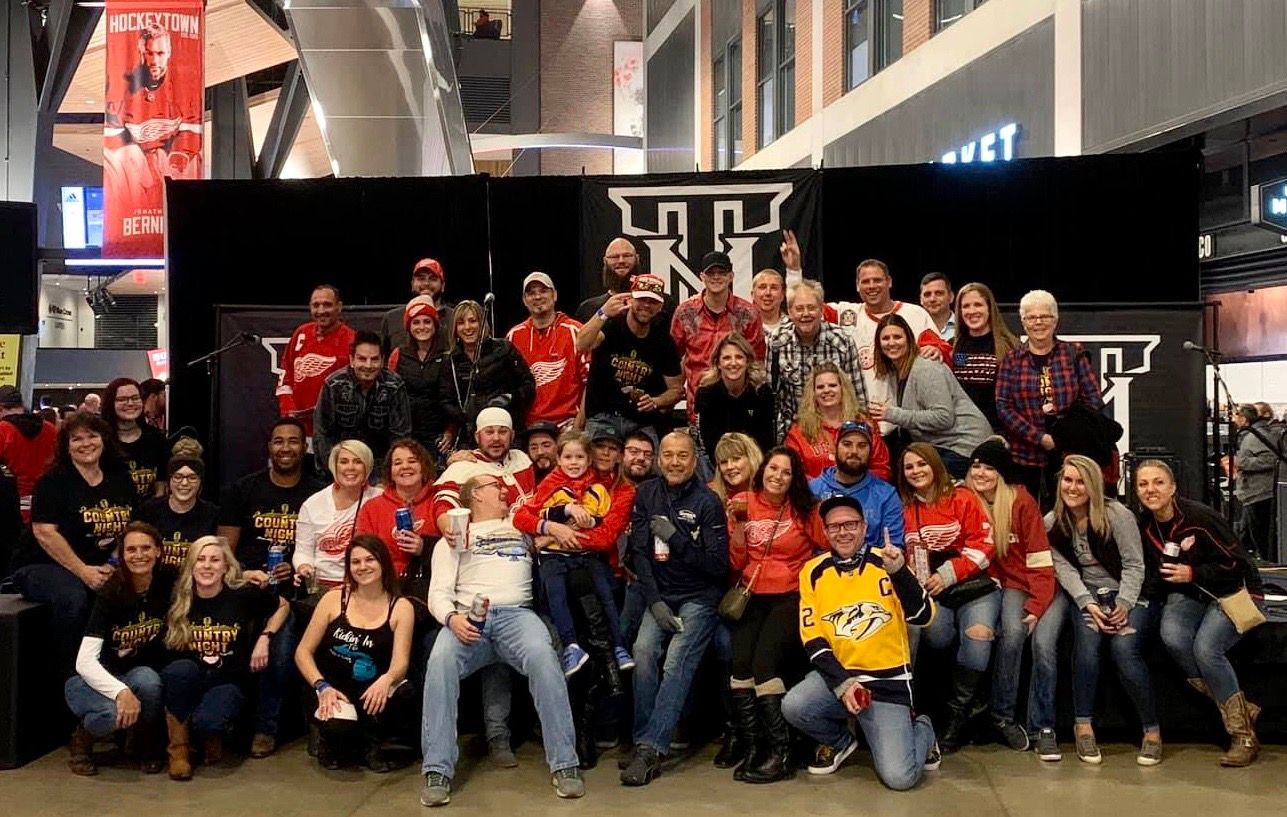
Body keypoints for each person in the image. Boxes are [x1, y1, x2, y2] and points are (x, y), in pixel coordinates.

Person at [419, 474, 586, 806]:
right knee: (439, 662)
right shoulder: (455, 536)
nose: (504, 491)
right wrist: (452, 619)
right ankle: (437, 770)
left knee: (543, 657)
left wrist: (555, 528)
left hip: (517, 615)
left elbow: (555, 521)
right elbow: (437, 593)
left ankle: (565, 764)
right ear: (476, 495)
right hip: (467, 616)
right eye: (496, 487)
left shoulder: (520, 525)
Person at [782, 494, 938, 788]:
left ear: (864, 526)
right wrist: (844, 685)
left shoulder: (888, 561)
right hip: (841, 680)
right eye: (834, 526)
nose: (843, 532)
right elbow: (813, 639)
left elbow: (924, 616)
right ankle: (841, 742)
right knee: (794, 706)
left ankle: (923, 728)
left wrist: (900, 573)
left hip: (887, 684)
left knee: (900, 778)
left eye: (850, 524)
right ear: (825, 532)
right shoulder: (812, 571)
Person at [1136, 460, 1265, 767]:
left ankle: (1243, 735)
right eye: (1143, 484)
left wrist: (1193, 573)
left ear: (1173, 488)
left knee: (1206, 649)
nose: (1151, 490)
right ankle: (1240, 707)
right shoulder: (1145, 526)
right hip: (1192, 595)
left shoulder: (1200, 517)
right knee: (1172, 635)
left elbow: (1239, 564)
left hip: (1235, 591)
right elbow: (1154, 576)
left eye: (1158, 482)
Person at [618, 431, 728, 786]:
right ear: (658, 459)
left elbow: (717, 567)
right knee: (642, 651)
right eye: (668, 455)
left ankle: (652, 749)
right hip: (661, 596)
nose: (675, 462)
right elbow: (639, 553)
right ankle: (642, 739)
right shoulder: (646, 494)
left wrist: (676, 539)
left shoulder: (708, 502)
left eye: (682, 456)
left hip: (699, 597)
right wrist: (655, 602)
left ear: (694, 461)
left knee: (676, 661)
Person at [215, 417, 326, 756]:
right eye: (279, 441)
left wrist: (299, 568)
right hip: (249, 588)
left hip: (298, 592)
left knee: (282, 644)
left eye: (293, 441)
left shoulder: (318, 493)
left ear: (304, 447)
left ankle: (267, 728)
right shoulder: (242, 490)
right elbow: (223, 553)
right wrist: (246, 573)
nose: (285, 448)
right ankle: (223, 724)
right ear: (269, 447)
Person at [1046, 454, 1160, 766]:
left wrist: (1123, 605)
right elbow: (1064, 570)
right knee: (1087, 644)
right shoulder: (1052, 523)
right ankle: (1083, 726)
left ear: (1093, 486)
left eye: (1080, 482)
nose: (1073, 488)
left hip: (1131, 592)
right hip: (1089, 595)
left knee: (1124, 648)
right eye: (1068, 480)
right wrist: (1088, 602)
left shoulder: (1117, 515)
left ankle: (1152, 731)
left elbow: (1135, 565)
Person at [725, 446, 827, 783]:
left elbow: (827, 546)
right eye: (773, 468)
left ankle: (781, 754)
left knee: (763, 665)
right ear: (763, 470)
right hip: (751, 594)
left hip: (790, 596)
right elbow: (737, 560)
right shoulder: (744, 502)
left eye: (786, 472)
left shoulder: (805, 508)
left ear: (794, 479)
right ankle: (754, 747)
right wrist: (739, 525)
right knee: (740, 667)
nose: (778, 476)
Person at [11, 412, 135, 681]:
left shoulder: (120, 479)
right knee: (74, 597)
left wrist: (112, 564)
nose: (86, 443)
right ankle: (70, 678)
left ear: (104, 439)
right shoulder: (53, 482)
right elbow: (45, 533)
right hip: (41, 564)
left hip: (97, 565)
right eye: (76, 439)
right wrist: (83, 571)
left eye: (92, 436)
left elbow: (129, 531)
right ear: (66, 447)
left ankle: (115, 674)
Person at [896, 443, 997, 754]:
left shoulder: (963, 497)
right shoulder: (902, 508)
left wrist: (949, 573)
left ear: (935, 465)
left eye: (922, 464)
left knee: (978, 638)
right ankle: (948, 704)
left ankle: (957, 717)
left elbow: (985, 544)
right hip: (931, 593)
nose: (916, 471)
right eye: (909, 466)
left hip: (973, 587)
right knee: (936, 637)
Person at [160, 536, 289, 780]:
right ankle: (179, 752)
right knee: (180, 670)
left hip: (228, 678)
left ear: (226, 566)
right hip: (188, 677)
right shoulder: (178, 597)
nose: (207, 566)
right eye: (200, 559)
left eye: (215, 560)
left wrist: (265, 637)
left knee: (209, 721)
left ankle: (210, 735)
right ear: (191, 566)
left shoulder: (241, 594)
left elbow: (282, 606)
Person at [964, 439, 1059, 757]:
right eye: (976, 466)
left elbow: (1040, 561)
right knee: (983, 634)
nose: (980, 473)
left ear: (1002, 473)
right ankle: (977, 715)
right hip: (983, 584)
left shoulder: (1021, 501)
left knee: (1017, 633)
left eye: (989, 468)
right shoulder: (965, 499)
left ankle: (1006, 717)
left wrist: (1037, 605)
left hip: (1021, 583)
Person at [513, 431, 633, 675]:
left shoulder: (599, 488)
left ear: (588, 460)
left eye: (579, 457)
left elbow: (602, 527)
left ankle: (619, 647)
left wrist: (569, 531)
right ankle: (571, 646)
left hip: (588, 556)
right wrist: (558, 520)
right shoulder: (550, 484)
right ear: (558, 459)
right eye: (568, 457)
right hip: (553, 557)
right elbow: (525, 516)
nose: (574, 462)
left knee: (604, 593)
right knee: (555, 594)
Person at [295, 534, 417, 771]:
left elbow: (401, 663)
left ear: (383, 562)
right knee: (339, 732)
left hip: (372, 690)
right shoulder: (333, 599)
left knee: (405, 693)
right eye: (355, 562)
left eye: (370, 560)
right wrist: (322, 686)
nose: (363, 567)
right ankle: (330, 737)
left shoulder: (401, 607)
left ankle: (373, 740)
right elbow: (303, 652)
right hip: (333, 690)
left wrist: (387, 679)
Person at [64, 522, 174, 776]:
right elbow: (85, 662)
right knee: (110, 713)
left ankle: (145, 743)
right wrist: (121, 692)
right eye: (131, 549)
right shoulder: (111, 591)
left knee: (149, 681)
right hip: (90, 678)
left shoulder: (168, 582)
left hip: (134, 674)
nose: (139, 555)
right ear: (121, 554)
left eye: (146, 548)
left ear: (158, 551)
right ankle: (82, 739)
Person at [996, 289, 1106, 506]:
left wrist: (1066, 434)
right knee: (1024, 511)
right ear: (1023, 322)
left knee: (1069, 509)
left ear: (1055, 320)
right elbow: (1003, 406)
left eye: (1045, 316)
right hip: (1023, 455)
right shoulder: (1011, 359)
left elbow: (1093, 399)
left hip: (1069, 453)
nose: (1038, 322)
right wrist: (1039, 438)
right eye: (1031, 317)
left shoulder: (1073, 353)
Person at [102, 23, 201, 241]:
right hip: (137, 161)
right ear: (140, 52)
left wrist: (176, 158)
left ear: (169, 53)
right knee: (122, 158)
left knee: (192, 164)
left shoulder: (185, 85)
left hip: (171, 158)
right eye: (149, 53)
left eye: (160, 53)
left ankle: (187, 228)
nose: (155, 60)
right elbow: (113, 142)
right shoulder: (120, 88)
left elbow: (192, 131)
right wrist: (141, 162)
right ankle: (124, 236)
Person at [871, 314, 991, 478]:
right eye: (886, 338)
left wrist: (893, 414)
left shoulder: (926, 368)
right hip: (940, 446)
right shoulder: (896, 371)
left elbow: (943, 417)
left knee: (915, 476)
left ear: (909, 339)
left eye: (897, 337)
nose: (891, 343)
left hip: (964, 446)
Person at [577, 275, 685, 445]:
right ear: (630, 300)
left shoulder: (663, 341)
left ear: (660, 307)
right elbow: (581, 345)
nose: (646, 305)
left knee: (648, 459)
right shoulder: (610, 326)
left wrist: (656, 401)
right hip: (604, 417)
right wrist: (602, 313)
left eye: (652, 301)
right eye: (641, 299)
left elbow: (676, 390)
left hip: (642, 422)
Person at [670, 251, 766, 425]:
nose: (716, 277)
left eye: (721, 273)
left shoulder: (748, 313)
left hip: (740, 408)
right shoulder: (685, 312)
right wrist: (675, 392)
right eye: (710, 273)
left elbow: (757, 362)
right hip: (698, 409)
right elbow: (671, 359)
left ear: (731, 276)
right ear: (702, 277)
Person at [768, 279, 864, 440]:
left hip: (837, 432)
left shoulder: (842, 341)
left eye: (811, 308)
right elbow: (773, 395)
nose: (806, 314)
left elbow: (858, 395)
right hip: (793, 432)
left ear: (821, 309)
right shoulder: (777, 341)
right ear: (790, 312)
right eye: (799, 309)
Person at [438, 300, 536, 453]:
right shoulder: (450, 360)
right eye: (461, 323)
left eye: (473, 321)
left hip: (508, 433)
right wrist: (466, 416)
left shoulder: (504, 349)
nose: (467, 327)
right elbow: (446, 401)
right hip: (471, 437)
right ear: (455, 328)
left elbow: (528, 385)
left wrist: (509, 398)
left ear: (482, 323)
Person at [314, 331, 412, 472]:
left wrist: (388, 473)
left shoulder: (394, 386)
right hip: (341, 465)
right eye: (362, 359)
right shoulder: (334, 385)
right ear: (352, 360)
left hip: (381, 466)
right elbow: (322, 433)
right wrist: (333, 470)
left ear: (382, 361)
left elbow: (400, 436)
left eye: (374, 359)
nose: (368, 365)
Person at [295, 440, 381, 592]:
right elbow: (303, 551)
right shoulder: (312, 504)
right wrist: (303, 566)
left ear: (367, 467)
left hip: (366, 584)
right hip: (322, 585)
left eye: (358, 462)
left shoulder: (380, 499)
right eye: (343, 462)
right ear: (334, 467)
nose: (350, 467)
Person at [505, 272, 588, 428]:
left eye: (543, 291)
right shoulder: (513, 336)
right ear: (524, 300)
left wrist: (577, 427)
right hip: (528, 427)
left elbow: (589, 384)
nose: (537, 297)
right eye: (531, 293)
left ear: (554, 295)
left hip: (568, 423)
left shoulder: (575, 331)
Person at [807, 419, 904, 550]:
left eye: (862, 445)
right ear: (835, 448)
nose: (854, 451)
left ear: (871, 451)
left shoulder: (886, 495)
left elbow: (894, 546)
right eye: (847, 444)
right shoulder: (812, 490)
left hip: (872, 561)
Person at [785, 362, 891, 481]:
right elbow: (793, 473)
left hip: (862, 491)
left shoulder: (865, 424)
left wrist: (852, 486)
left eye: (832, 385)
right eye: (820, 387)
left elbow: (881, 469)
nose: (826, 390)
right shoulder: (799, 431)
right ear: (813, 393)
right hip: (815, 492)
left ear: (843, 389)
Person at [277, 284, 356, 438]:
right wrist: (287, 411)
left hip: (334, 431)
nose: (321, 311)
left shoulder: (352, 340)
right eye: (316, 305)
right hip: (298, 428)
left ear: (339, 307)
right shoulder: (301, 333)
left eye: (327, 305)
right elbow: (285, 376)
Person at [355, 438, 439, 580]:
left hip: (430, 582)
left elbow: (454, 546)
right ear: (390, 472)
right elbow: (361, 551)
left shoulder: (438, 500)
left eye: (412, 461)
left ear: (424, 467)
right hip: (385, 584)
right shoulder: (372, 508)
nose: (405, 466)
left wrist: (425, 548)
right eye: (397, 463)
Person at [694, 333, 775, 462]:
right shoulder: (706, 394)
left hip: (755, 461)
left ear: (747, 361)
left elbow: (766, 442)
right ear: (718, 363)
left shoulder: (762, 393)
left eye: (739, 357)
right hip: (717, 462)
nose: (733, 363)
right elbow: (709, 444)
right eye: (726, 358)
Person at [137, 444, 219, 570]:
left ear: (200, 482)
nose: (184, 483)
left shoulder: (213, 514)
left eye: (192, 478)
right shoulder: (148, 510)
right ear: (169, 481)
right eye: (178, 477)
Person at [951, 283, 1020, 432]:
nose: (972, 311)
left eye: (978, 305)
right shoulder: (954, 346)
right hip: (963, 430)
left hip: (999, 431)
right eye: (966, 306)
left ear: (989, 308)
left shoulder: (1010, 346)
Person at [388, 295, 448, 455]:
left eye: (427, 321)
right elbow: (389, 395)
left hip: (438, 436)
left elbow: (454, 398)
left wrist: (451, 431)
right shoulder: (398, 354)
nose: (422, 327)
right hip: (405, 433)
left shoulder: (448, 355)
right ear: (408, 326)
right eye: (416, 322)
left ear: (435, 325)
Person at [576, 236, 675, 322]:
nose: (621, 260)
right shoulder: (589, 308)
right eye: (614, 257)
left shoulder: (662, 302)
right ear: (605, 261)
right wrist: (603, 313)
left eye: (627, 255)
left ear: (637, 258)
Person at [103, 377, 169, 498]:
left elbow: (161, 482)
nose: (130, 403)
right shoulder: (101, 440)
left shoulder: (156, 438)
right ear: (110, 403)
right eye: (122, 399)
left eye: (135, 398)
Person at [0, 384, 57, 523]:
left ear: (1, 408)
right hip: (46, 505)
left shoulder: (3, 431)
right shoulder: (51, 429)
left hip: (10, 508)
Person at [1231, 403, 1281, 562]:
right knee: (1246, 534)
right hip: (1253, 493)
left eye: (1235, 415)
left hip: (1259, 493)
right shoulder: (1254, 435)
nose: (1232, 419)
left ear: (1243, 418)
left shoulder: (1255, 437)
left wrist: (1241, 463)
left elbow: (1271, 459)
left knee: (1261, 537)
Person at [381, 257, 453, 354]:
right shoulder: (392, 318)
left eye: (433, 279)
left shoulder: (454, 318)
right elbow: (382, 357)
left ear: (443, 286)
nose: (426, 283)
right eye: (421, 278)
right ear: (412, 284)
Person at [710, 432, 764, 504]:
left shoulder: (769, 491)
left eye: (736, 459)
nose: (729, 467)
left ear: (751, 459)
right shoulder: (709, 493)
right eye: (723, 462)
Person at [751, 268, 789, 336]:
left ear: (782, 295)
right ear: (752, 294)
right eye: (762, 287)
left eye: (774, 288)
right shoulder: (742, 327)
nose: (768, 293)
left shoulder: (795, 327)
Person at [919, 272, 955, 341]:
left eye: (938, 293)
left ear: (951, 297)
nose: (932, 299)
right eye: (927, 294)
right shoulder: (913, 328)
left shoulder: (964, 326)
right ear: (921, 299)